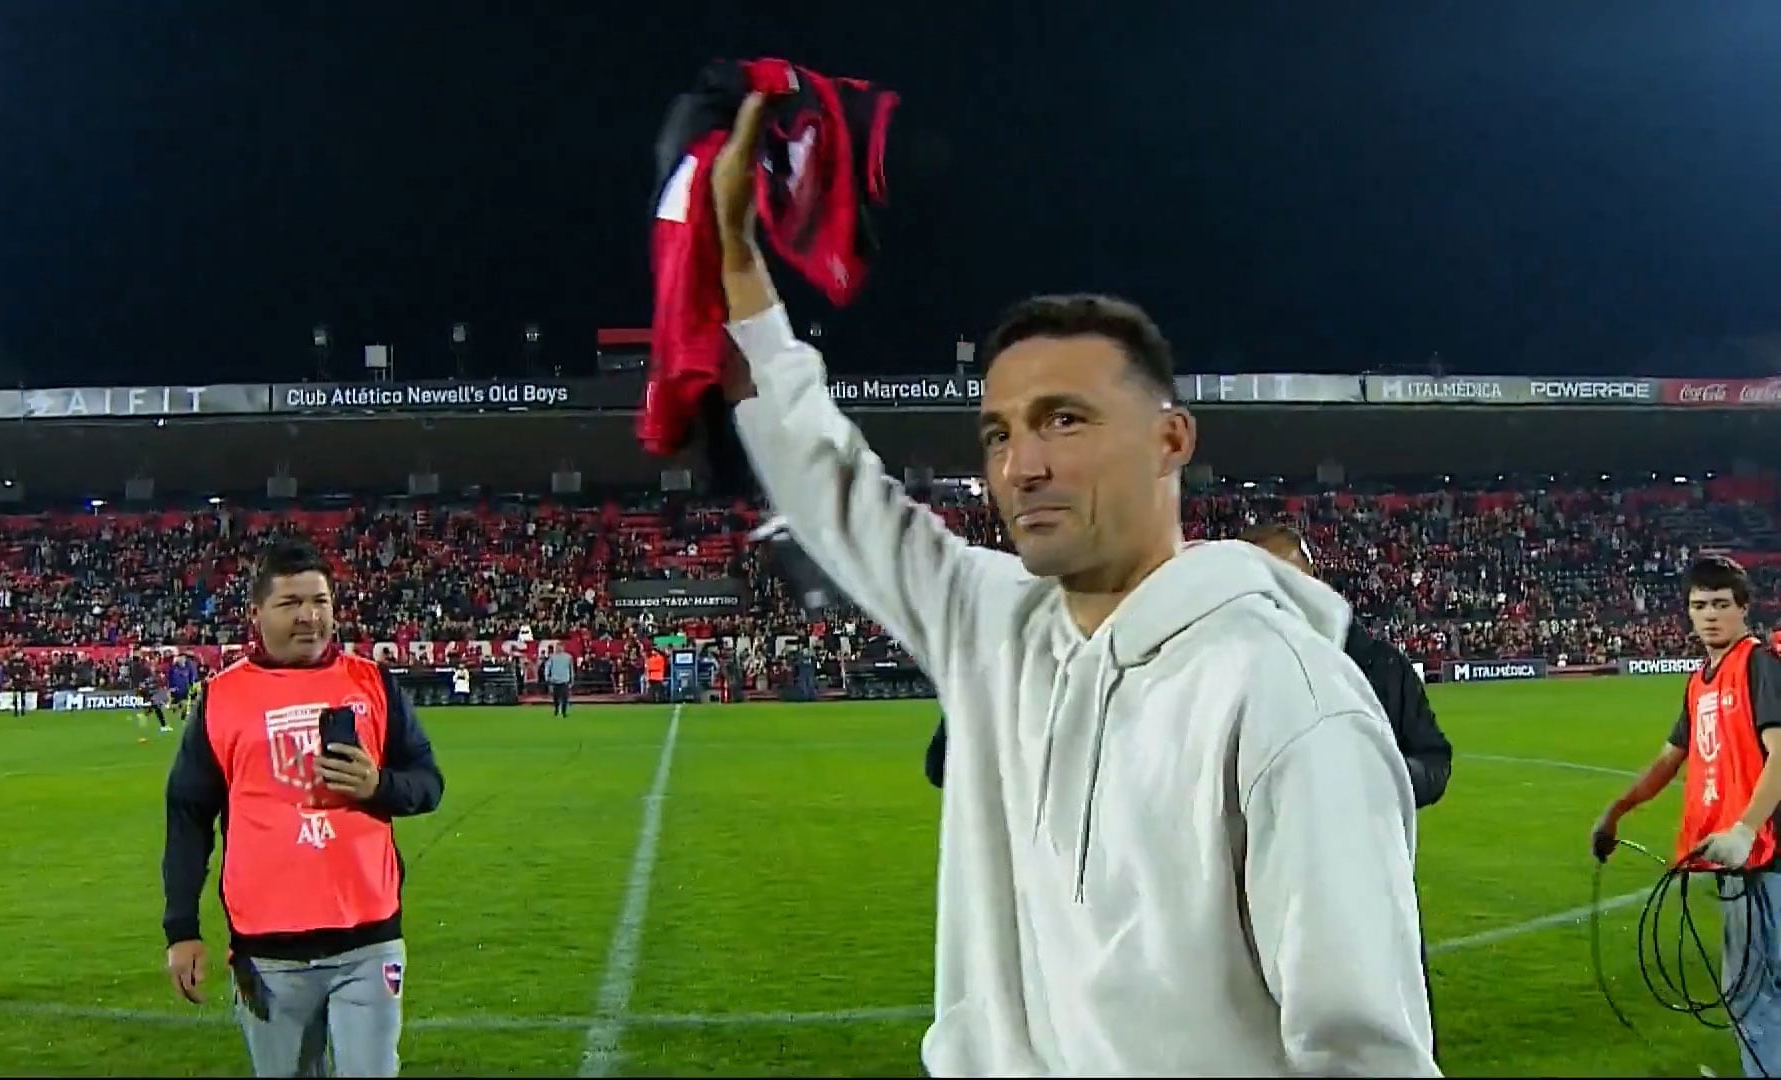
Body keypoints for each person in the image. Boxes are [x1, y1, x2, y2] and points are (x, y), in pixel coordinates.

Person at [713, 91, 1436, 1076]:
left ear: (1172, 437)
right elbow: (831, 485)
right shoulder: (996, 626)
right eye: (1000, 434)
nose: (1022, 467)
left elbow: (1363, 1053)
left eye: (1066, 420)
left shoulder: (1288, 702)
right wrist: (738, 268)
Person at [162, 539, 446, 1078]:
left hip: (369, 938)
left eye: (320, 601)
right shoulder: (221, 698)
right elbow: (187, 818)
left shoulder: (373, 683)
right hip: (268, 951)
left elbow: (428, 783)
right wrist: (182, 929)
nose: (309, 617)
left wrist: (379, 785)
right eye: (290, 603)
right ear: (256, 613)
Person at [1592, 555, 1781, 1078]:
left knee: (1752, 989)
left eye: (1722, 604)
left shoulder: (1758, 663)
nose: (1710, 615)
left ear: (1744, 609)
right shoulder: (1699, 683)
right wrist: (1619, 809)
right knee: (1753, 987)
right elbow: (1669, 758)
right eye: (1700, 606)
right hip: (1740, 858)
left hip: (1768, 854)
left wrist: (1745, 829)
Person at [1240, 523, 1452, 809]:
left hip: (1369, 847)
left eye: (1294, 582)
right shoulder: (1230, 678)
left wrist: (1381, 776)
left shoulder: (1381, 665)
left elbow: (1433, 762)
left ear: (1316, 583)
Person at [542, 640, 574, 717]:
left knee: (565, 698)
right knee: (555, 698)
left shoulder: (568, 657)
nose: (559, 649)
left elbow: (571, 669)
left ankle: (564, 712)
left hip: (564, 680)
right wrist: (547, 676)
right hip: (555, 680)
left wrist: (571, 679)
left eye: (560, 647)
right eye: (557, 647)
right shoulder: (552, 657)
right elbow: (547, 667)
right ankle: (556, 709)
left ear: (563, 648)